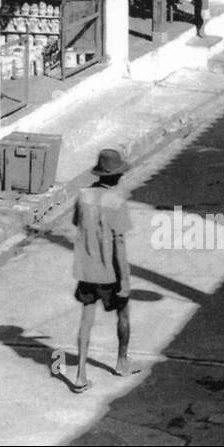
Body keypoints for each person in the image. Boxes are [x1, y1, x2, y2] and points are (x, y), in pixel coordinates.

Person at [68, 147, 133, 392]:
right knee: (123, 315)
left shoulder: (83, 195)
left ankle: (80, 375)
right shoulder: (116, 201)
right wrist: (124, 280)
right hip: (110, 273)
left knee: (86, 319)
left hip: (86, 270)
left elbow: (78, 224)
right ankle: (121, 361)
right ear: (116, 176)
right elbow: (119, 245)